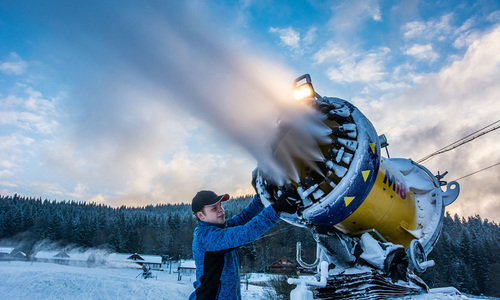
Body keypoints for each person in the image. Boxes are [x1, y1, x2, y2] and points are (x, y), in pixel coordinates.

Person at [189, 180, 299, 300]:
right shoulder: (206, 237)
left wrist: (260, 199)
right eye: (214, 208)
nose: (221, 210)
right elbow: (246, 233)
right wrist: (276, 209)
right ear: (201, 216)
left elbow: (243, 218)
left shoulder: (220, 228)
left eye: (220, 205)